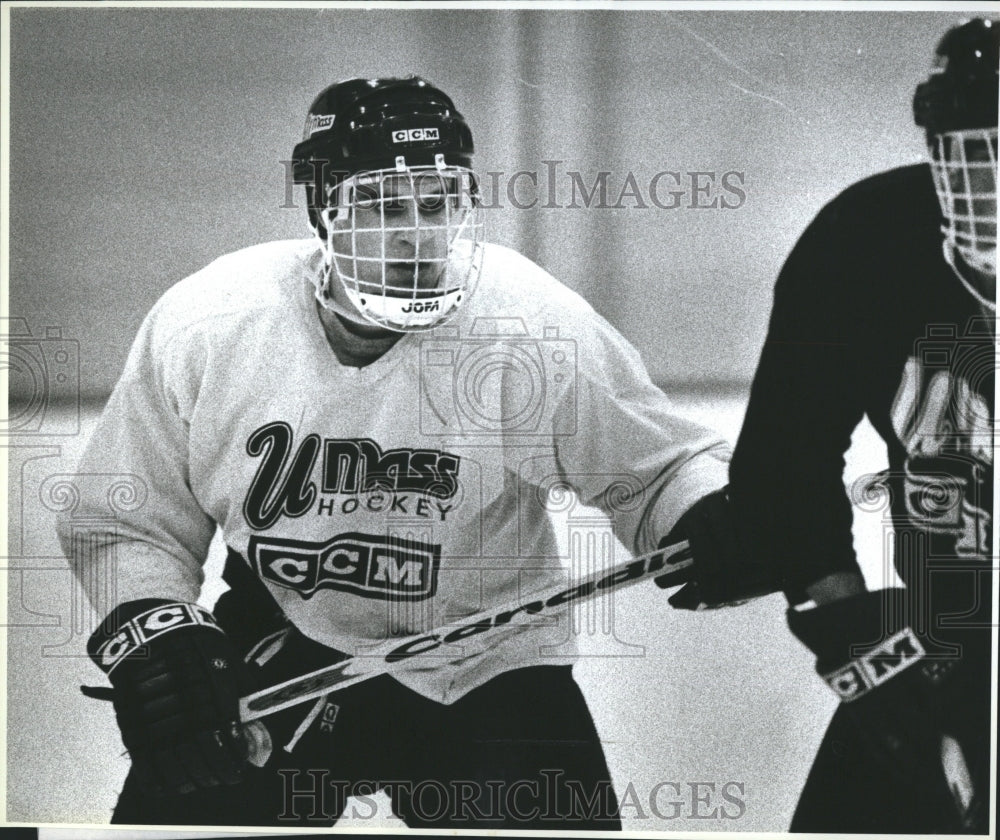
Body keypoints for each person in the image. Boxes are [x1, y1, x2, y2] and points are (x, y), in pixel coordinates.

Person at [58, 76, 733, 829]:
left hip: (486, 662)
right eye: (384, 205)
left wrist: (706, 517)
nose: (417, 234)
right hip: (289, 640)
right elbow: (127, 515)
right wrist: (157, 632)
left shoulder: (525, 323)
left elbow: (659, 468)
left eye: (438, 201)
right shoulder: (213, 323)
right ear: (324, 208)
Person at [668, 18, 996, 835]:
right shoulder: (871, 241)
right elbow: (788, 463)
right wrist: (855, 639)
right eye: (983, 154)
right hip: (954, 637)